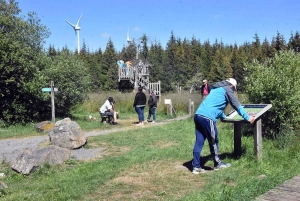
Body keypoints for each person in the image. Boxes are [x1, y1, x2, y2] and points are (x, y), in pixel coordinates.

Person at [192, 78, 255, 174]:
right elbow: (236, 104)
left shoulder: (216, 89)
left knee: (199, 141)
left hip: (198, 115)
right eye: (233, 89)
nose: (233, 91)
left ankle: (195, 167)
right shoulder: (227, 89)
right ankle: (218, 164)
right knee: (213, 141)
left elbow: (216, 105)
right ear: (232, 86)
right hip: (207, 117)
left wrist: (223, 116)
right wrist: (247, 118)